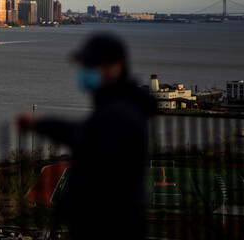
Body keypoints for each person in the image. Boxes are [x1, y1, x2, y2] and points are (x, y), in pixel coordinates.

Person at [17, 33, 156, 240]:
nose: (86, 71)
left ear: (117, 67)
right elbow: (85, 133)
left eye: (92, 65)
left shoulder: (119, 113)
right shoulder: (117, 106)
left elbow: (86, 139)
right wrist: (39, 125)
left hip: (109, 225)